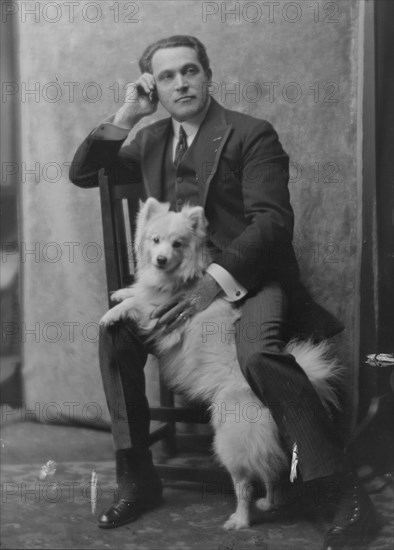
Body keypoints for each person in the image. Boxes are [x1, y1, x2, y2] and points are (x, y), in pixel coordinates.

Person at [70, 35, 377, 548]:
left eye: (190, 70)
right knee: (115, 336)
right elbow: (83, 174)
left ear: (207, 75)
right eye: (166, 76)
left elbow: (272, 225)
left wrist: (212, 285)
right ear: (153, 87)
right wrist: (127, 113)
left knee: (257, 353)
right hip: (171, 288)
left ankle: (342, 492)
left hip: (247, 283)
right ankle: (137, 476)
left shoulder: (251, 135)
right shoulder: (147, 141)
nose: (181, 83)